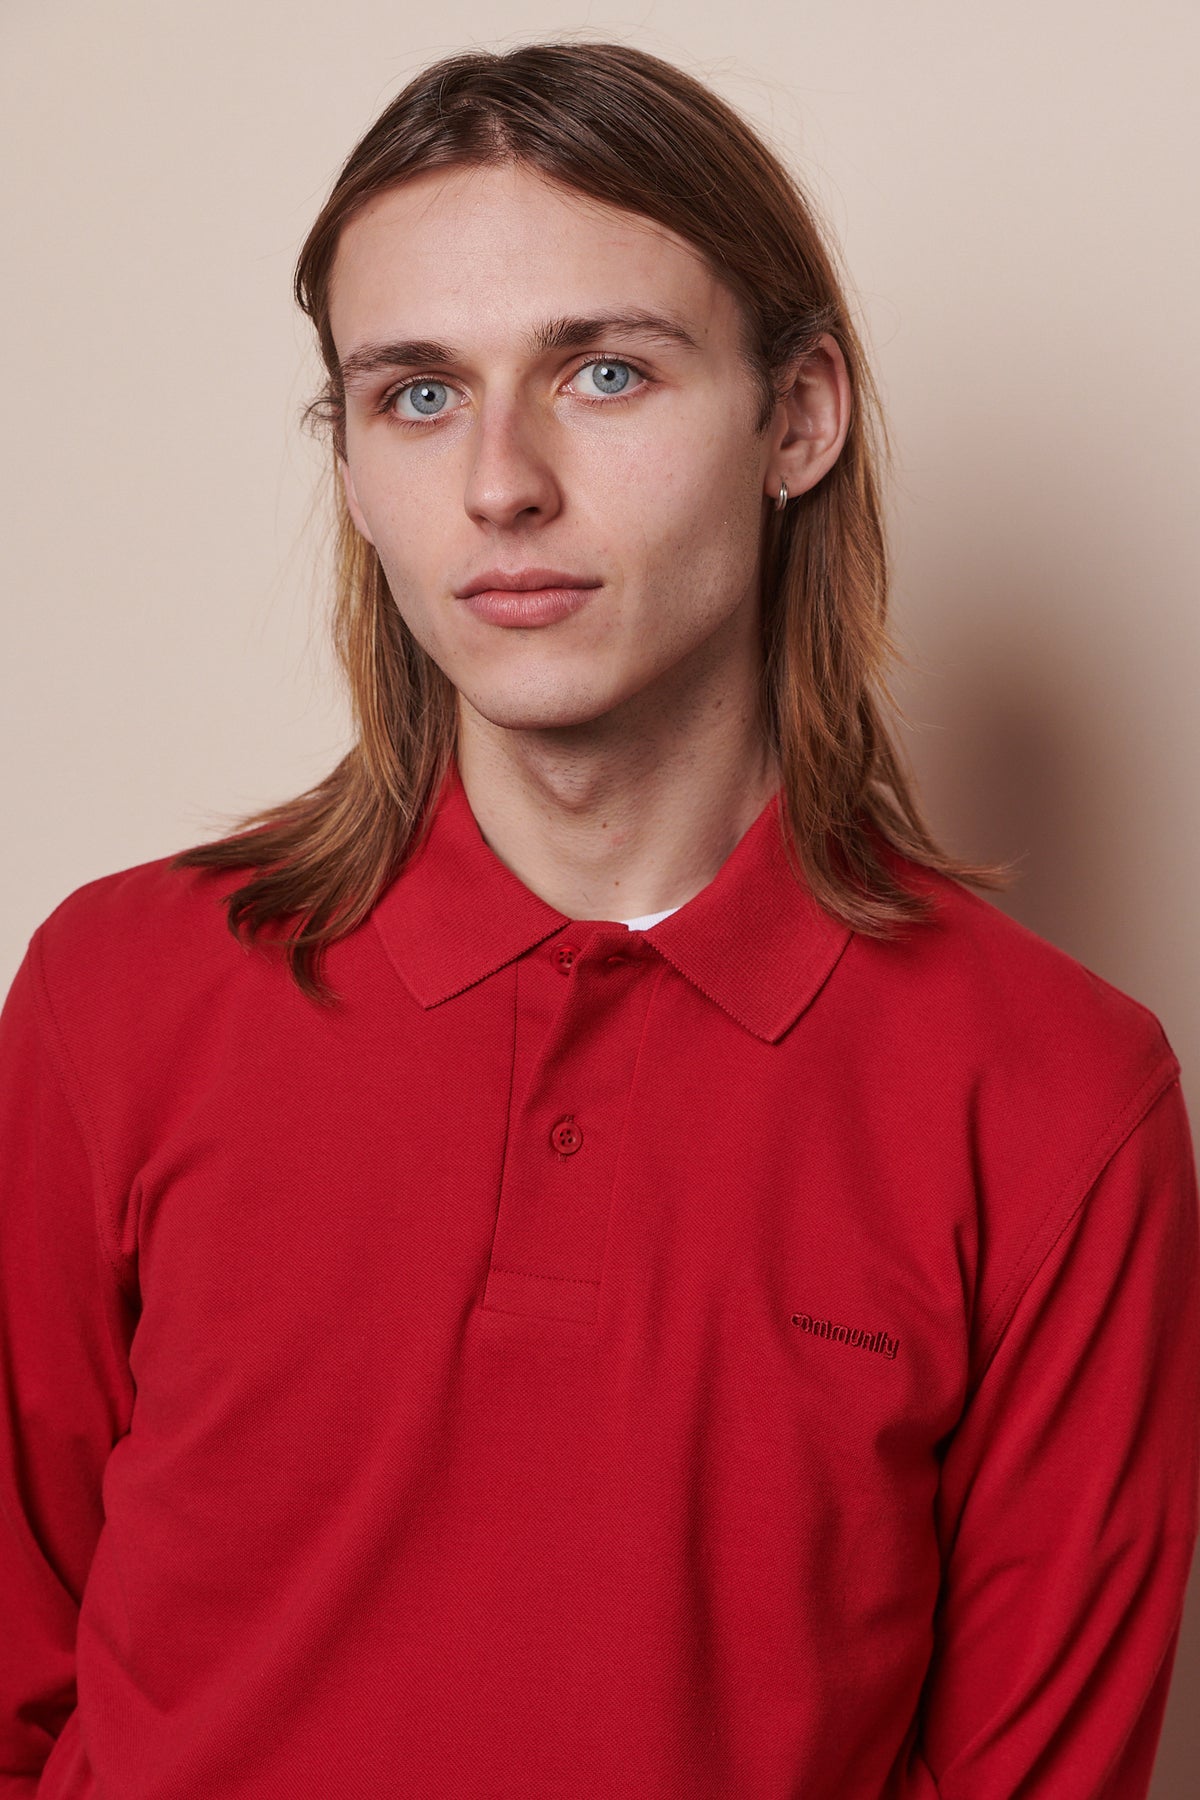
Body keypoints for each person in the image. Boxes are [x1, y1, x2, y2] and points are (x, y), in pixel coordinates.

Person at [1, 39, 1197, 1800]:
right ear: (349, 455)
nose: (501, 483)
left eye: (607, 373)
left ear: (799, 417)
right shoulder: (116, 994)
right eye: (415, 393)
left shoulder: (1057, 1101)